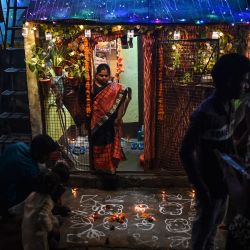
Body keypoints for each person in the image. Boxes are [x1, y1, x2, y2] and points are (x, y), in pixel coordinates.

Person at [180, 53, 250, 250]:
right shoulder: (205, 113)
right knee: (201, 238)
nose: (246, 86)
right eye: (243, 81)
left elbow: (227, 141)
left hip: (223, 186)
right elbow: (185, 151)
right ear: (229, 82)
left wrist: (235, 163)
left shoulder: (228, 105)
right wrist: (200, 189)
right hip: (209, 188)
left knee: (212, 234)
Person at [0, 134, 58, 217]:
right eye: (47, 155)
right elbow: (40, 190)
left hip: (4, 188)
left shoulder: (19, 145)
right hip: (7, 202)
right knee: (39, 197)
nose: (48, 158)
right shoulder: (29, 170)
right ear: (40, 153)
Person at [91, 63, 131, 174]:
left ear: (109, 76)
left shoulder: (113, 87)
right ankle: (99, 170)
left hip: (110, 124)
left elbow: (122, 95)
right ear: (96, 75)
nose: (104, 78)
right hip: (97, 124)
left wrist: (118, 118)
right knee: (98, 145)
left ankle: (110, 169)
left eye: (106, 75)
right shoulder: (92, 88)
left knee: (110, 144)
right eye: (101, 75)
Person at [21, 172, 64, 250]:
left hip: (26, 231)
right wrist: (51, 230)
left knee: (58, 219)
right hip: (37, 235)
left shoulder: (33, 194)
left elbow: (22, 207)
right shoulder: (47, 200)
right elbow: (42, 216)